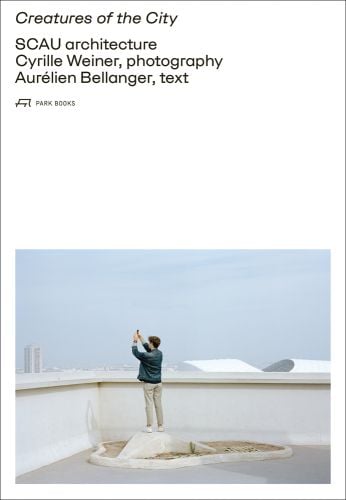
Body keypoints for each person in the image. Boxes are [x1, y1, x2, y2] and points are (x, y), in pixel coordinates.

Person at [131, 330, 164, 433]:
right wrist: (141, 337)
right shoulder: (159, 353)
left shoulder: (146, 356)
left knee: (149, 405)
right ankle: (160, 426)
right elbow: (147, 348)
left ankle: (149, 426)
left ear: (152, 343)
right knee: (158, 405)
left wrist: (135, 341)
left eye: (149, 342)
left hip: (149, 384)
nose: (148, 343)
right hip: (158, 383)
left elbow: (135, 352)